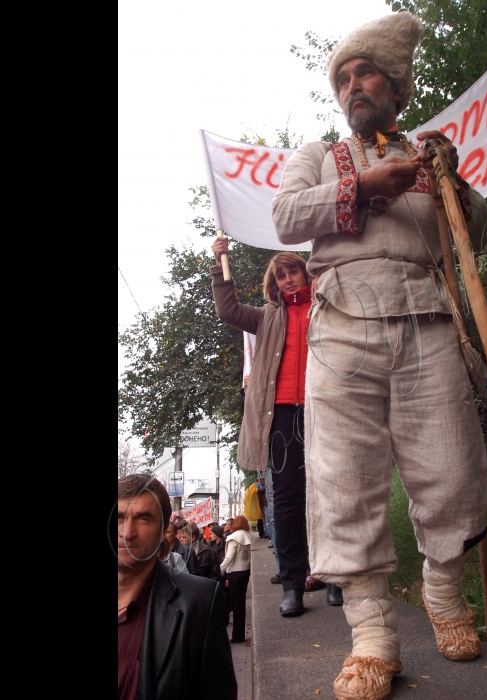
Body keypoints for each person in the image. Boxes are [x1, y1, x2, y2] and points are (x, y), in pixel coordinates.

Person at [270, 12, 487, 700]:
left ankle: (445, 596)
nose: (352, 85)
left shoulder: (428, 156)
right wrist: (366, 187)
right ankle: (371, 635)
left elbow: (475, 235)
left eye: (365, 73)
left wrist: (452, 182)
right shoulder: (317, 153)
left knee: (453, 468)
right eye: (343, 77)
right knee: (344, 481)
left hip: (428, 320)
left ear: (397, 90)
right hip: (341, 326)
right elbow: (284, 217)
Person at [210, 246, 314, 617]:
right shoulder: (267, 316)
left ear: (305, 273)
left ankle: (335, 577)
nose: (287, 280)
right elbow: (228, 311)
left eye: (292, 273)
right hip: (282, 418)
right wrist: (221, 268)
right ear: (275, 284)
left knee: (329, 490)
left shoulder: (326, 306)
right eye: (280, 276)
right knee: (285, 500)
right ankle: (292, 584)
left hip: (324, 410)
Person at [117, 473, 236, 699]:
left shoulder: (199, 604)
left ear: (164, 530)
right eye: (119, 517)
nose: (127, 533)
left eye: (143, 519)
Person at [219, 515, 255, 643]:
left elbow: (229, 557)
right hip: (245, 570)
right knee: (241, 604)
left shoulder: (233, 538)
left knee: (236, 604)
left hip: (235, 572)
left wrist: (220, 570)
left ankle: (237, 635)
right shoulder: (247, 535)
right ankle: (238, 634)